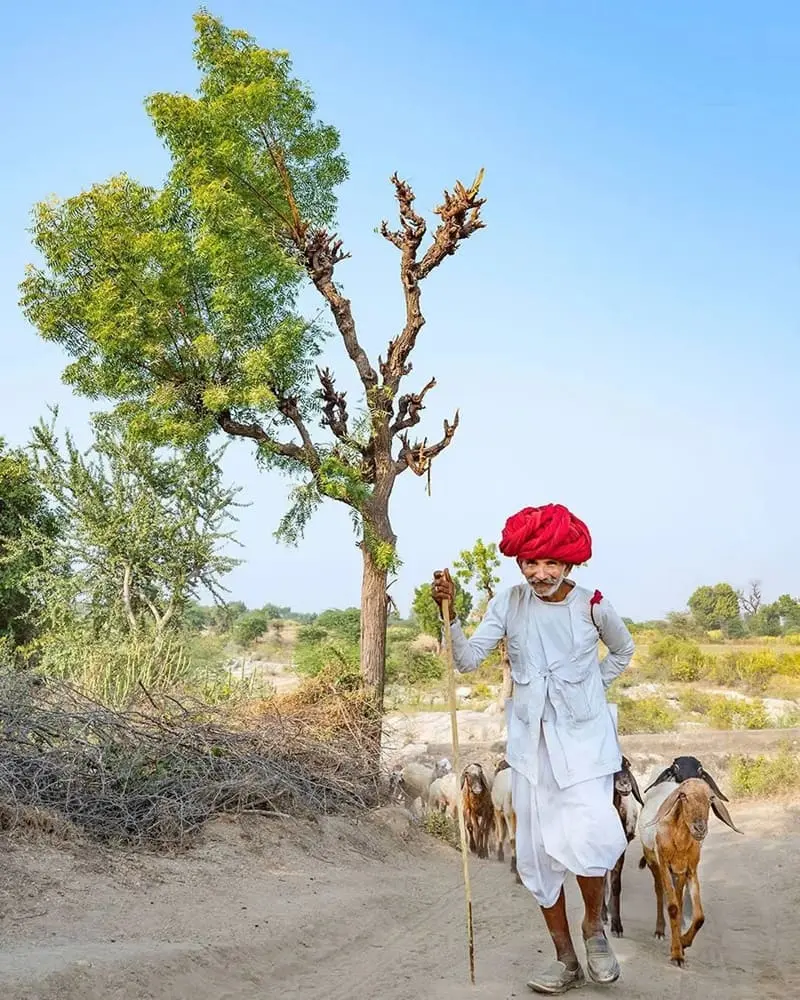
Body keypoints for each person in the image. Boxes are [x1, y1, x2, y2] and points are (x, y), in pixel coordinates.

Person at [432, 503, 635, 995]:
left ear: (569, 564)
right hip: (530, 749)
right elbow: (466, 659)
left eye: (550, 563)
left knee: (589, 838)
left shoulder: (593, 605)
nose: (540, 573)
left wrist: (589, 689)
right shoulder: (508, 603)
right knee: (539, 855)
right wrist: (451, 614)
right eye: (530, 563)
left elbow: (623, 651)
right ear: (519, 563)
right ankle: (564, 958)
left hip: (585, 746)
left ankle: (593, 929)